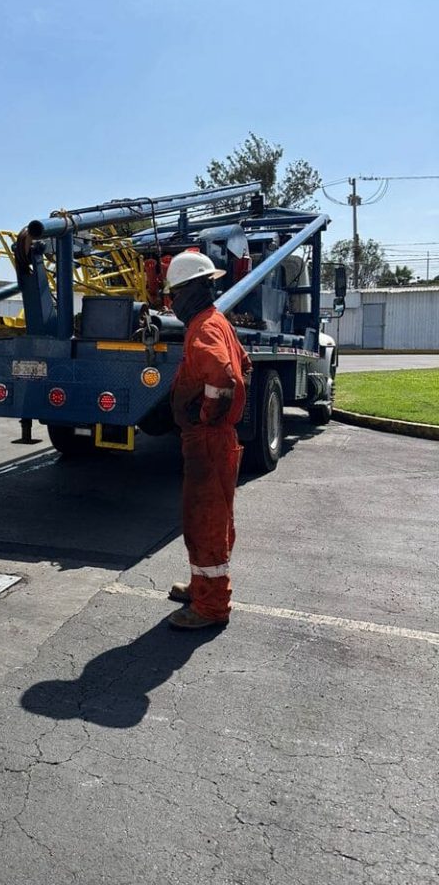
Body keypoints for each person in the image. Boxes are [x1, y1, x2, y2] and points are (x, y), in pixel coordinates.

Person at [165, 250, 252, 631]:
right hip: (213, 439)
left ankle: (212, 606)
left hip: (209, 440)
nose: (172, 303)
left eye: (173, 295)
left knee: (206, 521)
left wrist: (206, 416)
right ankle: (202, 587)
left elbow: (224, 377)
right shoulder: (216, 321)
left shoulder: (203, 328)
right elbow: (243, 366)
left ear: (186, 292)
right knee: (205, 518)